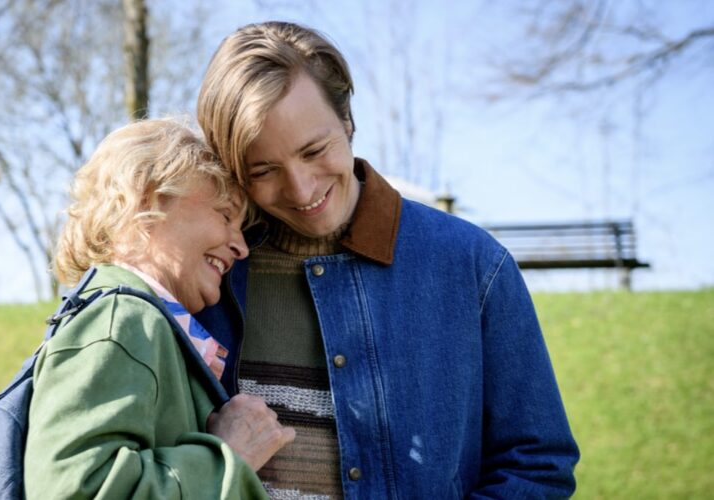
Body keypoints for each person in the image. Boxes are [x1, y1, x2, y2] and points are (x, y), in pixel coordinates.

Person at [195, 22, 580, 498]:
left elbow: (537, 465)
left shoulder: (474, 265)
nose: (301, 189)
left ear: (347, 121)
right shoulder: (207, 274)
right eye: (264, 170)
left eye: (314, 150)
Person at [23, 118, 295, 499]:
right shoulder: (122, 320)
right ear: (147, 199)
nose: (241, 247)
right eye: (224, 215)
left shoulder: (142, 324)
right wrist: (228, 457)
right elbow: (75, 491)